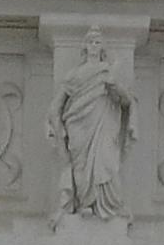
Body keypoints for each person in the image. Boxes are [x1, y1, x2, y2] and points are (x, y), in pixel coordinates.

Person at [54, 26, 134, 220]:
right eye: (90, 42)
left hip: (104, 123)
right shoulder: (74, 74)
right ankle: (84, 203)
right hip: (77, 123)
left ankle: (107, 205)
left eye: (97, 42)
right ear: (85, 47)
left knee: (106, 162)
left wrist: (113, 85)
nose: (94, 46)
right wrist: (55, 126)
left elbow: (126, 101)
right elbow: (58, 104)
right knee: (80, 165)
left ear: (102, 48)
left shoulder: (108, 72)